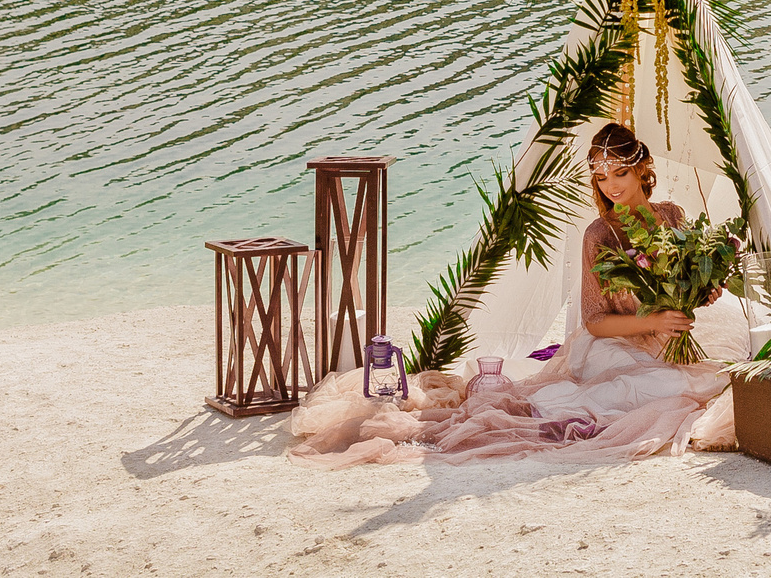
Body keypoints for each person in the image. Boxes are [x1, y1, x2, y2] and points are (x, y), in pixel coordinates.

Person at [286, 123, 737, 465]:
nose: (612, 186)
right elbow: (595, 322)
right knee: (654, 390)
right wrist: (654, 321)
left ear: (642, 170)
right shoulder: (597, 234)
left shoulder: (672, 216)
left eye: (620, 173)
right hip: (608, 345)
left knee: (677, 383)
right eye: (601, 179)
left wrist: (700, 292)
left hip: (662, 345)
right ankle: (536, 406)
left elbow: (684, 283)